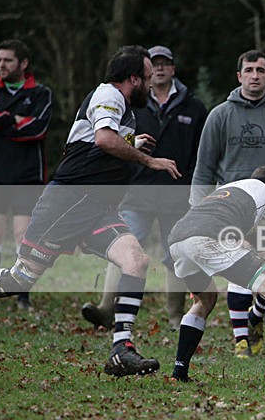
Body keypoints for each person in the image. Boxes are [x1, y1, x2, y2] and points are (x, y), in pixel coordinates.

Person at [0, 45, 181, 377]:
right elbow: (105, 141)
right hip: (68, 203)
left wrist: (132, 144)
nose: (152, 84)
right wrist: (149, 160)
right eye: (148, 78)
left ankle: (121, 349)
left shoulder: (124, 108)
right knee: (23, 276)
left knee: (136, 260)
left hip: (98, 208)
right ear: (133, 78)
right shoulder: (109, 93)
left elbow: (97, 145)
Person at [189, 49, 265, 358]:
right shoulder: (220, 115)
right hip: (231, 210)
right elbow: (203, 169)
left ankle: (256, 318)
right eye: (249, 70)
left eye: (260, 69)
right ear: (239, 75)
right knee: (238, 268)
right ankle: (241, 339)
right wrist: (197, 209)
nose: (254, 75)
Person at [81, 45, 207, 332]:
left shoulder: (194, 107)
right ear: (143, 73)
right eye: (155, 64)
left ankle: (175, 317)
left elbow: (202, 154)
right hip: (135, 190)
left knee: (175, 253)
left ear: (173, 68)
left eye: (165, 63)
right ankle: (106, 308)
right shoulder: (129, 102)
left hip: (177, 193)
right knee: (122, 246)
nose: (160, 69)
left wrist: (195, 189)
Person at [167, 167, 265, 384]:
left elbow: (234, 236)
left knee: (205, 300)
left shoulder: (231, 190)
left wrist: (259, 259)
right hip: (207, 237)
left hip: (178, 238)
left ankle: (179, 373)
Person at [0, 39, 54, 311]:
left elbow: (36, 129)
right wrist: (10, 119)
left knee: (22, 236)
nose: (2, 65)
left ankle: (22, 296)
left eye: (8, 60)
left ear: (23, 63)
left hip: (28, 179)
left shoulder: (41, 93)